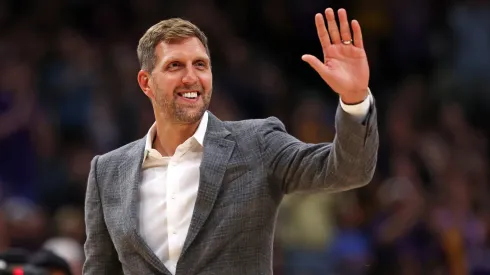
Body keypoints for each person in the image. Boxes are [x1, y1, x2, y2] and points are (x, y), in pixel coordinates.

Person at [83, 7, 379, 275]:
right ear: (146, 82)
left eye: (200, 65)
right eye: (175, 66)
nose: (191, 77)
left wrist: (354, 100)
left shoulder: (257, 143)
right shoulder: (107, 172)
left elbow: (349, 171)